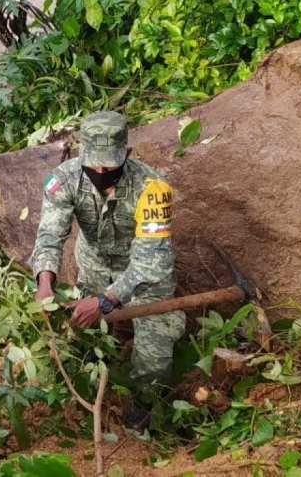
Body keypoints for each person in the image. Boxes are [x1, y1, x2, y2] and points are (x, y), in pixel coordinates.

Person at [27, 111, 185, 429]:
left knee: (154, 359)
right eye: (93, 165)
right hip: (95, 268)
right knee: (81, 339)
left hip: (145, 279)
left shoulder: (153, 189)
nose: (100, 172)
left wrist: (106, 300)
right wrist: (45, 280)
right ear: (81, 155)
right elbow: (50, 235)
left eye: (109, 166)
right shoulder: (64, 180)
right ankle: (88, 390)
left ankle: (142, 410)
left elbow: (149, 261)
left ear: (125, 155)